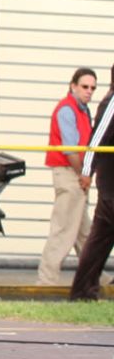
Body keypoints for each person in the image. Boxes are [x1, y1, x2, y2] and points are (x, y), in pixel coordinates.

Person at [39, 67, 97, 286]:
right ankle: (46, 282)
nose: (89, 91)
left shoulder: (82, 111)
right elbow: (70, 149)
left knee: (86, 235)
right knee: (63, 230)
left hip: (76, 176)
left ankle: (94, 278)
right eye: (84, 86)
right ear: (73, 86)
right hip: (69, 174)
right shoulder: (67, 110)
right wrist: (84, 174)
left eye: (92, 88)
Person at [69, 67, 114, 301]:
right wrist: (87, 170)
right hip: (111, 185)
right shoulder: (112, 101)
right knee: (98, 239)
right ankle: (82, 291)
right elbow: (97, 137)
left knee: (98, 241)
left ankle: (83, 292)